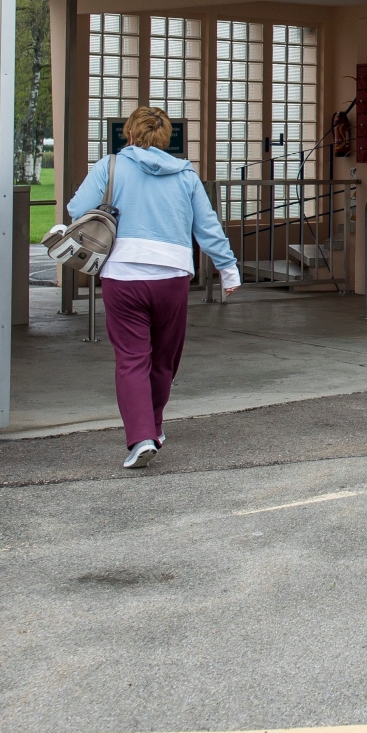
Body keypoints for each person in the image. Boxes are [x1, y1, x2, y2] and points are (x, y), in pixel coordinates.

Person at [66, 106, 239, 469]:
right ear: (165, 139)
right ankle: (155, 428)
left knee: (131, 359)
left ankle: (142, 437)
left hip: (123, 275)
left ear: (128, 134)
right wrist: (228, 268)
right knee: (164, 360)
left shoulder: (110, 166)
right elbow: (207, 226)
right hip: (173, 276)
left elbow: (76, 209)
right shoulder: (186, 175)